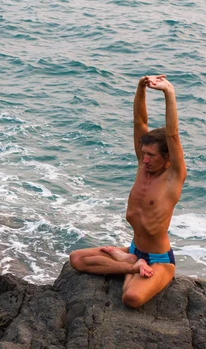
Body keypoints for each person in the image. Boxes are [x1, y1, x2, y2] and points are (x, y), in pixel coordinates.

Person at [69, 75, 187, 308]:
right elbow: (139, 122)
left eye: (151, 155)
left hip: (159, 260)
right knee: (76, 259)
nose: (144, 159)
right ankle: (130, 264)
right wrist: (141, 88)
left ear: (167, 158)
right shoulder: (143, 168)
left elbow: (173, 135)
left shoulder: (173, 177)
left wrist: (168, 92)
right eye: (143, 153)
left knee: (131, 298)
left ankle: (131, 264)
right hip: (133, 249)